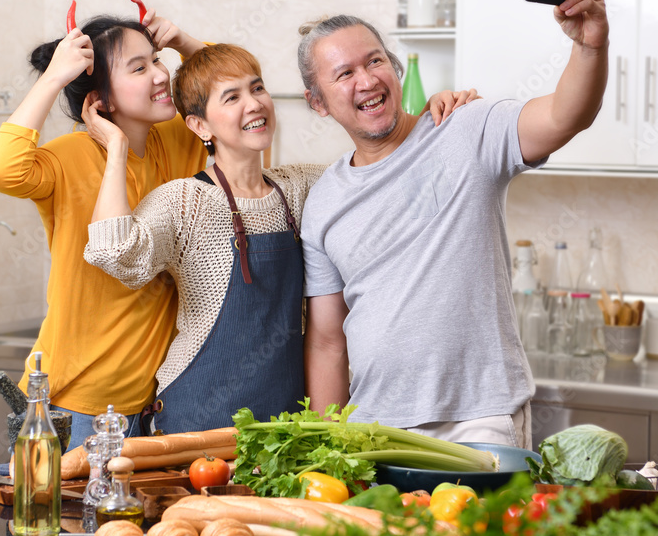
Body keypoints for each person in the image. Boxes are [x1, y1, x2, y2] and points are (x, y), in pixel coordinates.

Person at [82, 44, 477, 434]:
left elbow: (380, 173)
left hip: (287, 420)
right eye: (232, 97)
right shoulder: (184, 201)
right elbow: (114, 253)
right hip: (198, 417)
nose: (254, 104)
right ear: (200, 126)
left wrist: (429, 116)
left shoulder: (302, 186)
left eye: (257, 88)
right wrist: (116, 148)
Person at [299, 0, 608, 449]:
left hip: (480, 420)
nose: (367, 80)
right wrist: (327, 443)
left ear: (394, 67)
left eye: (375, 60)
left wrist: (591, 45)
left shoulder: (464, 128)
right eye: (344, 74)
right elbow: (327, 341)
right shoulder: (323, 202)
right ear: (317, 101)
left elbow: (564, 116)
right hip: (372, 429)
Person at [0, 8, 209, 449]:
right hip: (74, 406)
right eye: (139, 68)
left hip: (150, 403)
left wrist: (185, 43)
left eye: (157, 60)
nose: (162, 75)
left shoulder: (177, 141)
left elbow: (228, 92)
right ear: (101, 100)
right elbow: (1, 170)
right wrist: (52, 79)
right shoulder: (72, 156)